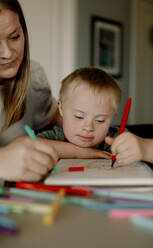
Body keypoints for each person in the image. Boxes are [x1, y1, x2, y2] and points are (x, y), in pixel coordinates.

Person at [0, 0, 112, 182]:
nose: (7, 53)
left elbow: (66, 119)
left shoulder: (32, 79)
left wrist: (95, 124)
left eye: (14, 37)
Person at [38, 67, 121, 155]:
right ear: (61, 109)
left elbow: (134, 146)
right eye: (79, 116)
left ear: (113, 116)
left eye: (100, 120)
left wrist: (136, 146)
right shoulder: (53, 138)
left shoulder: (115, 139)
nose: (88, 128)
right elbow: (31, 145)